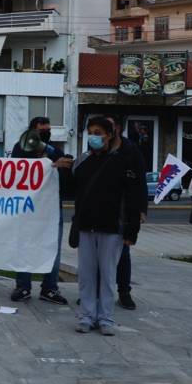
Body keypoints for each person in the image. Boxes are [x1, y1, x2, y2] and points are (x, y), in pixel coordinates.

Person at [70, 116, 143, 336]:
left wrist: (132, 230)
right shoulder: (82, 161)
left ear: (110, 135)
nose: (94, 137)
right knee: (86, 275)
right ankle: (86, 316)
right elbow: (71, 189)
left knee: (108, 276)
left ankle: (106, 318)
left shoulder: (122, 162)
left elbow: (133, 196)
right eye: (91, 132)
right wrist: (61, 169)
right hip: (86, 227)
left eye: (98, 133)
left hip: (112, 228)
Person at [9, 116, 73, 305]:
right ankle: (23, 286)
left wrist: (57, 163)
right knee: (24, 246)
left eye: (48, 130)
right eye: (42, 130)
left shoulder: (53, 150)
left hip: (51, 207)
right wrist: (47, 163)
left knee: (52, 247)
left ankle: (50, 288)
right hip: (28, 207)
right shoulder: (20, 148)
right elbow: (17, 171)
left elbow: (65, 173)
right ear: (32, 131)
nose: (46, 132)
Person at [105, 115, 148, 311]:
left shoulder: (131, 151)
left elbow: (140, 182)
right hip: (101, 210)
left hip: (123, 211)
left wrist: (141, 209)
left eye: (109, 126)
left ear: (118, 128)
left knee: (123, 253)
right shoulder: (98, 150)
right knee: (98, 255)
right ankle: (95, 292)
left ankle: (124, 292)